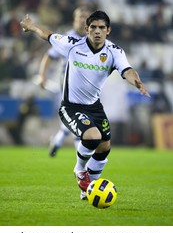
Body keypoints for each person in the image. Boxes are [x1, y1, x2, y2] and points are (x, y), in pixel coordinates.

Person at [20, 10, 150, 200]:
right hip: (71, 107)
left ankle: (86, 191)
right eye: (94, 27)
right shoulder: (72, 45)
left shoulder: (114, 52)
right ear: (86, 29)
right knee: (92, 137)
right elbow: (48, 35)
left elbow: (127, 70)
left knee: (104, 147)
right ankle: (80, 170)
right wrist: (31, 26)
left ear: (108, 30)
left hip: (94, 107)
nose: (97, 31)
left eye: (102, 27)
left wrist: (136, 81)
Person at [36, 6, 91, 157]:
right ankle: (82, 165)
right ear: (75, 19)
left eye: (86, 17)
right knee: (79, 121)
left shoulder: (93, 40)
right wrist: (42, 75)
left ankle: (57, 141)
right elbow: (49, 56)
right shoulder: (67, 38)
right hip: (68, 84)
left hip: (87, 87)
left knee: (73, 121)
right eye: (80, 16)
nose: (82, 20)